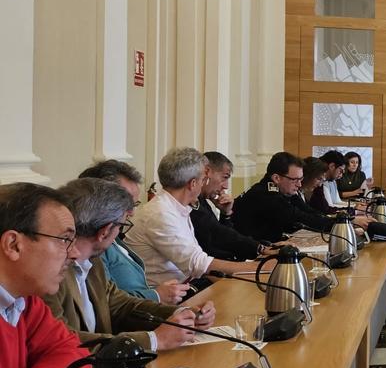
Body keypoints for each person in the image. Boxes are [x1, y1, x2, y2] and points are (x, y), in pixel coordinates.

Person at [45, 178, 211, 351]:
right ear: (105, 231)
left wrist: (181, 314)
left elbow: (121, 305)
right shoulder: (50, 274)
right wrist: (154, 340)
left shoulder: (93, 262)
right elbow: (63, 341)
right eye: (122, 226)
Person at [0, 183, 91, 368]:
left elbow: (75, 357)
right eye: (64, 239)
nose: (74, 253)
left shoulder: (26, 302)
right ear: (14, 245)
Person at [124, 147, 256, 287]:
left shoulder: (176, 207)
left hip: (187, 285)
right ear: (193, 184)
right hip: (166, 298)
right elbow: (198, 264)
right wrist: (258, 269)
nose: (203, 184)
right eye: (203, 180)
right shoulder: (160, 213)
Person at [79, 160, 188, 304]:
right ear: (100, 200)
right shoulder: (93, 244)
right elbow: (106, 302)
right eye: (126, 203)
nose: (132, 212)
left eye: (134, 204)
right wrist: (156, 295)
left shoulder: (113, 235)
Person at [234, 151, 369, 243]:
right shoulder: (266, 195)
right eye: (295, 180)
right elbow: (301, 217)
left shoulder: (282, 189)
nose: (299, 184)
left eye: (301, 179)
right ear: (276, 178)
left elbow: (308, 211)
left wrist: (346, 222)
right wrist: (346, 225)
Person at [192, 151, 266, 262]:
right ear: (207, 172)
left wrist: (226, 214)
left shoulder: (202, 201)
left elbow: (222, 237)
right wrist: (260, 249)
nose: (226, 186)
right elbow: (217, 236)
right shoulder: (192, 202)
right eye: (224, 177)